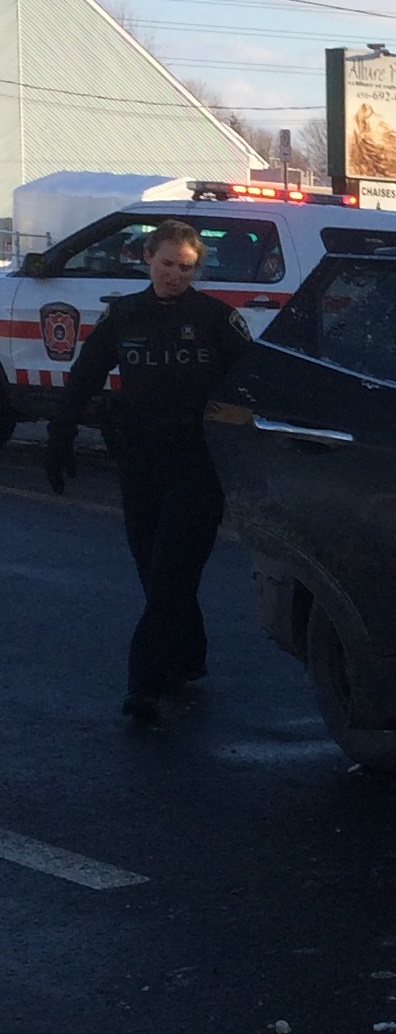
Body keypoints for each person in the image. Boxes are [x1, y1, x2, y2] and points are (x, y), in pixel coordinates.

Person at [45, 220, 253, 725]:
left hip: (198, 461)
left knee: (170, 570)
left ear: (195, 269)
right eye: (166, 264)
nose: (174, 276)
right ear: (147, 258)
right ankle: (188, 655)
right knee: (152, 566)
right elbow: (85, 376)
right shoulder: (123, 316)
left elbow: (251, 385)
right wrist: (60, 435)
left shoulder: (217, 321)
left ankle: (145, 684)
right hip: (140, 459)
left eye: (185, 268)